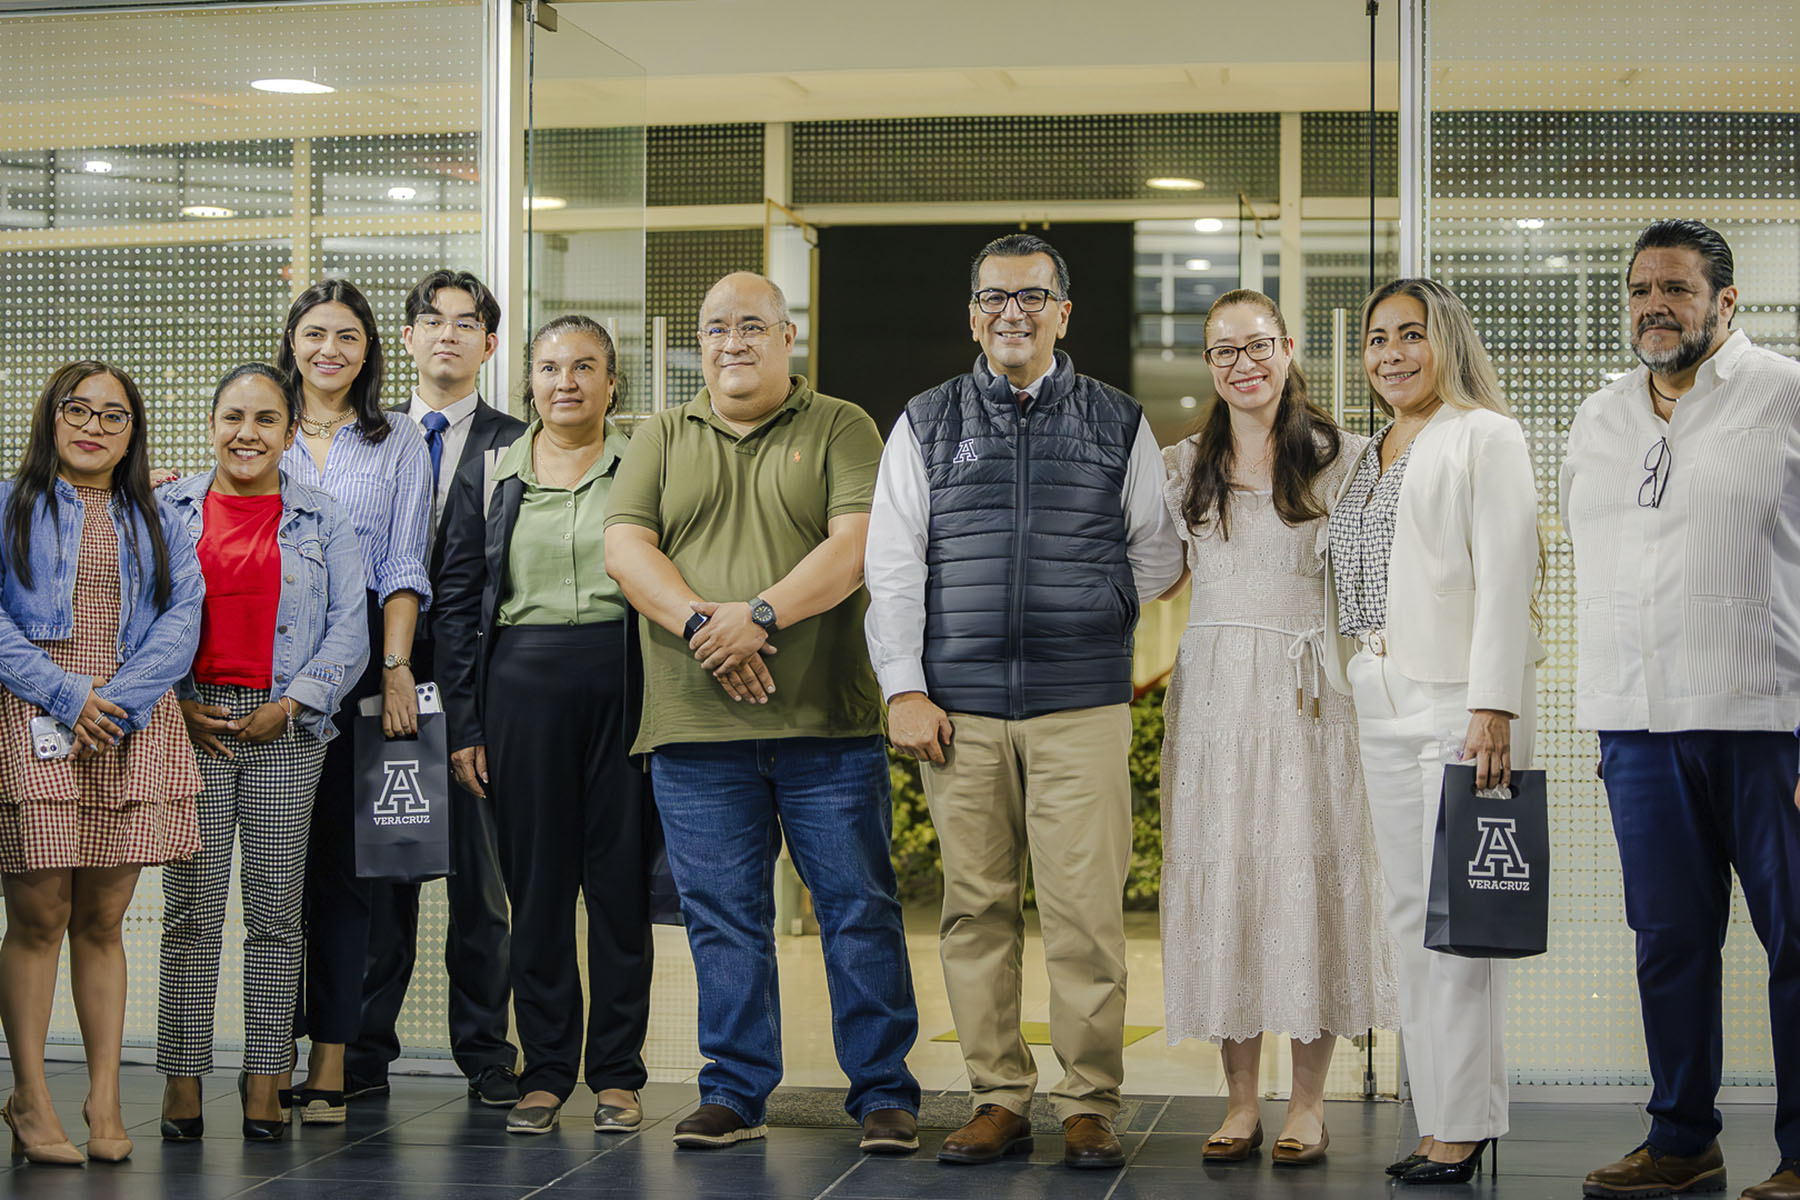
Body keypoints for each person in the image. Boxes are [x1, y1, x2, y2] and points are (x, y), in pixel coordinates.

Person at [864, 234, 1183, 1170]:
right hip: (958, 711)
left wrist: (1098, 602)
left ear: (1063, 313)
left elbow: (1158, 552)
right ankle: (998, 1096)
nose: (1014, 311)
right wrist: (906, 689)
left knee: (1085, 913)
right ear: (972, 314)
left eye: (1033, 296)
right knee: (975, 911)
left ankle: (1089, 1103)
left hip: (1079, 704)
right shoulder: (924, 422)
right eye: (996, 297)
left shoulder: (1117, 422)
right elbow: (893, 568)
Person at [604, 272, 921, 1155]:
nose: (731, 341)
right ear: (698, 344)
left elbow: (856, 547)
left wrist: (761, 617)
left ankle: (884, 1092)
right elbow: (627, 548)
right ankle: (735, 1091)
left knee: (858, 908)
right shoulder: (660, 434)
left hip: (827, 725)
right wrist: (710, 627)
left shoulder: (842, 425)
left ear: (788, 337)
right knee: (723, 916)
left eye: (752, 326)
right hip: (696, 728)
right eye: (715, 328)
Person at [1563, 220, 1800, 1200]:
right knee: (1667, 939)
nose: (1654, 305)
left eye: (1677, 289)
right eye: (1639, 289)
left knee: (1797, 943)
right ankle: (1680, 1138)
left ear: (1725, 303)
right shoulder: (1602, 414)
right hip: (1638, 724)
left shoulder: (1783, 395)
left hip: (1766, 719)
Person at [1158, 289, 1396, 1166]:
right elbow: (1150, 571)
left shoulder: (1347, 458)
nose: (1242, 364)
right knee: (1229, 884)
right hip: (1216, 695)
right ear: (1210, 365)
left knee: (1308, 885)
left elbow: (1382, 584)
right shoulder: (1184, 463)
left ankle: (1307, 1105)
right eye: (1223, 351)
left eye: (1257, 345)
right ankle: (1238, 1102)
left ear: (1288, 348)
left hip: (1311, 696)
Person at [1321, 276, 1542, 1186]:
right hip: (1378, 693)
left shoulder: (1486, 436)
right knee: (1417, 916)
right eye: (1377, 339)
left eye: (1410, 335)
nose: (1391, 354)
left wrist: (1495, 705)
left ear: (1446, 340)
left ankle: (1458, 1123)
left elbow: (1507, 572)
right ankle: (1453, 1112)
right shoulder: (1368, 451)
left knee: (1462, 926)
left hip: (1457, 703)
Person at [434, 314, 653, 1137]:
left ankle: (619, 1075)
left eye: (585, 367)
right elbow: (456, 603)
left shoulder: (645, 466)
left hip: (624, 683)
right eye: (551, 367)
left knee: (621, 886)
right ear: (528, 380)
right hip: (519, 690)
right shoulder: (491, 471)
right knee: (537, 890)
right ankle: (549, 1069)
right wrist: (464, 723)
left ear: (610, 382)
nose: (567, 381)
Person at [156, 363, 369, 1142]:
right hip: (193, 723)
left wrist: (294, 702)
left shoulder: (323, 516)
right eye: (233, 417)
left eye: (266, 420)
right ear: (212, 424)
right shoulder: (167, 509)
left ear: (289, 432)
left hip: (289, 725)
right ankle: (182, 1083)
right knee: (191, 913)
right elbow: (132, 620)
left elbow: (352, 628)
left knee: (278, 916)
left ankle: (267, 1081)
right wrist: (172, 706)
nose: (247, 434)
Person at [0, 361, 204, 1165]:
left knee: (104, 922)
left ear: (132, 433)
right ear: (51, 419)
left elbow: (183, 616)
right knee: (40, 919)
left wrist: (114, 700)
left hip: (128, 719)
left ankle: (106, 1100)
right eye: (76, 410)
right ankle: (30, 1098)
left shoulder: (160, 519)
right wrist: (64, 693)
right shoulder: (8, 506)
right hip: (34, 713)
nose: (92, 425)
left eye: (113, 416)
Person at [350, 269, 526, 1108]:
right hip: (374, 682)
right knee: (381, 882)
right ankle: (361, 1049)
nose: (447, 334)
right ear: (411, 339)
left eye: (467, 323)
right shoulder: (366, 435)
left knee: (477, 887)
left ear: (489, 345)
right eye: (432, 321)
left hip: (471, 691)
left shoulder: (517, 444)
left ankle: (486, 1053)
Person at [276, 278, 433, 1123]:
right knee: (275, 876)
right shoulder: (264, 425)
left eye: (347, 336)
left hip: (364, 668)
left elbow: (406, 560)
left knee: (345, 872)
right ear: (292, 341)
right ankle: (271, 1052)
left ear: (370, 350)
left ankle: (332, 1059)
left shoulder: (397, 438)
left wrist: (398, 666)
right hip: (267, 673)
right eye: (314, 333)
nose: (329, 349)